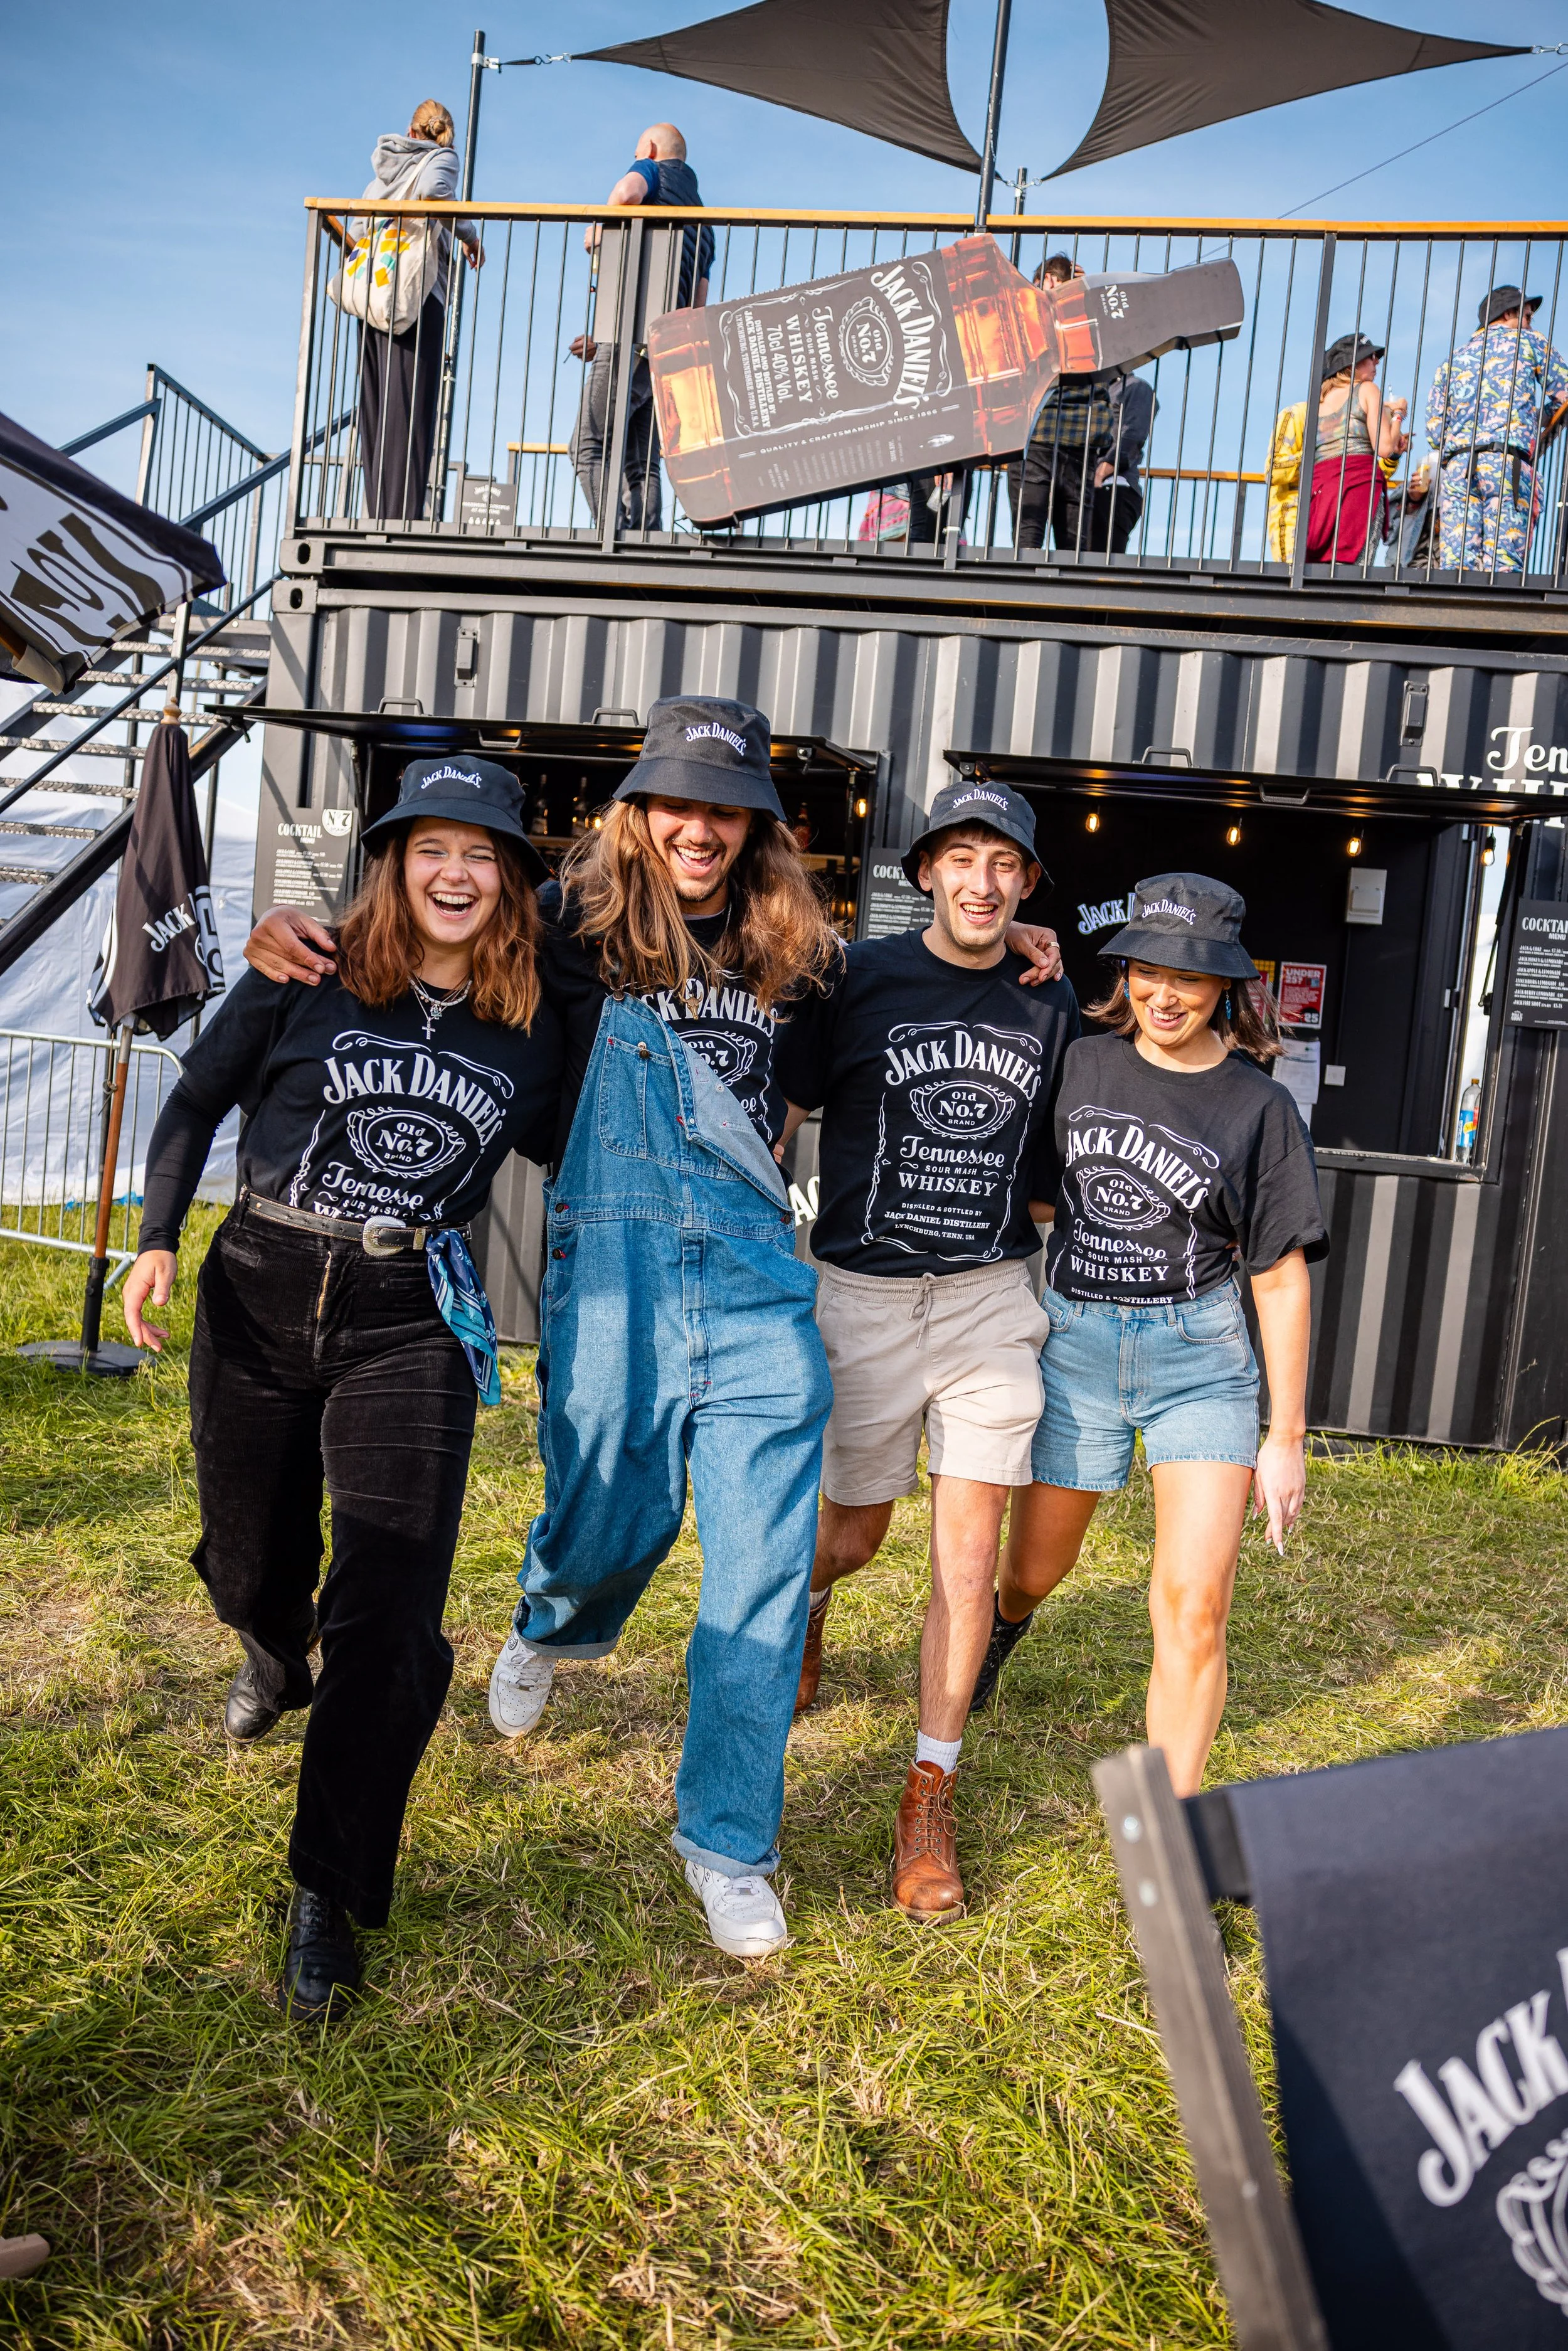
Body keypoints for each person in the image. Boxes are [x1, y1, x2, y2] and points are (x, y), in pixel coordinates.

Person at [121, 759, 563, 2019]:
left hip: (408, 1317)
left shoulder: (535, 1024)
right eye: (432, 846)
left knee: (387, 1604)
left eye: (482, 853)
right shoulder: (302, 971)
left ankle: (328, 1892)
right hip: (257, 1283)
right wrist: (156, 1235)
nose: (456, 871)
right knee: (249, 1560)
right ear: (392, 862)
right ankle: (268, 1647)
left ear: (511, 881)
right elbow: (198, 1098)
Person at [773, 778, 1079, 1921]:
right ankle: (808, 1603)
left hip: (990, 1301)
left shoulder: (1048, 992)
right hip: (859, 1293)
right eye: (963, 859)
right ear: (929, 874)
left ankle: (926, 1797)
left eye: (1005, 865)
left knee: (965, 1557)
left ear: (1027, 884)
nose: (984, 882)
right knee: (853, 1531)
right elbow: (790, 1103)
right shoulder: (857, 975)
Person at [972, 874, 1328, 1800]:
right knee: (1033, 1570)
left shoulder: (1260, 1111)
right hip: (1079, 1345)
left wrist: (1283, 1438)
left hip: (1201, 1362)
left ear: (1225, 989)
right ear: (1124, 971)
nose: (1164, 995)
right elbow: (1041, 1190)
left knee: (1194, 1608)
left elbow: (1280, 1274)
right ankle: (1007, 1625)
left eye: (1190, 979)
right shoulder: (1083, 1065)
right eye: (1146, 971)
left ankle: (1172, 1830)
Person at [569, 125, 714, 535]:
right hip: (664, 349)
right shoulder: (706, 220)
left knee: (586, 445)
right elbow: (698, 303)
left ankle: (610, 534)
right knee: (643, 460)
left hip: (628, 332)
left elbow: (625, 194)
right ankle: (645, 538)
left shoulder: (653, 171)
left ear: (650, 149)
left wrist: (601, 233)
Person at [351, 102, 483, 523]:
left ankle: (378, 514)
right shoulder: (440, 158)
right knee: (413, 410)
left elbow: (356, 233)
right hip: (418, 297)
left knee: (376, 410)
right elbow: (432, 192)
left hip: (374, 297)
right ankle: (403, 517)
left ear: (411, 127)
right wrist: (469, 232)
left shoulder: (381, 174)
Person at [1427, 285, 1568, 575]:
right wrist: (1539, 424)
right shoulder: (1530, 342)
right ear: (1508, 314)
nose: (1530, 324)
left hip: (1459, 469)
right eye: (1527, 317)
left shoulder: (1453, 359)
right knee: (1504, 568)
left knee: (1454, 567)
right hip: (1507, 464)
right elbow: (1565, 392)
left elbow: (1434, 430)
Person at [1304, 333, 1407, 566]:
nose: (1377, 362)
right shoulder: (1368, 389)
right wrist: (1399, 413)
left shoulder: (1318, 400)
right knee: (1353, 571)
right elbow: (1384, 447)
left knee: (1319, 568)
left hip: (1321, 493)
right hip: (1358, 490)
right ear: (1353, 364)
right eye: (1371, 357)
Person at [1091, 373, 1156, 555]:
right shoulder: (1097, 389)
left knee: (1102, 561)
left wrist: (1101, 472)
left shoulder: (1135, 387)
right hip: (1093, 489)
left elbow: (1133, 435)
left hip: (1113, 489)